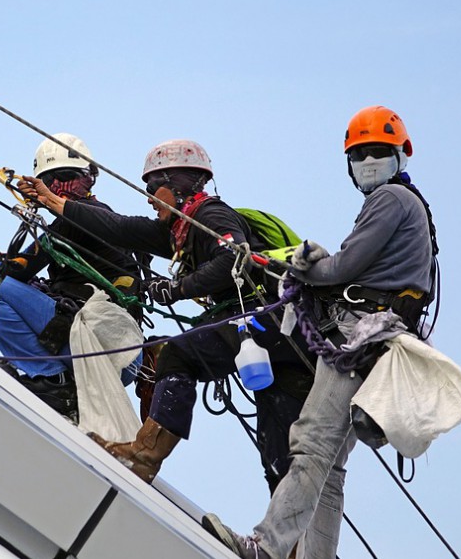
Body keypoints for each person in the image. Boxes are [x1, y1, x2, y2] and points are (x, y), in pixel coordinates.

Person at [202, 106, 437, 558]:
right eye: (360, 153)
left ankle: (265, 548)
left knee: (310, 442)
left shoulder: (389, 199)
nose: (368, 160)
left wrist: (300, 267)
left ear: (399, 155)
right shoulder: (413, 206)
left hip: (363, 338)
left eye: (376, 151)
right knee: (329, 468)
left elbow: (344, 268)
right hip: (380, 342)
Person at [19, 139, 316, 488]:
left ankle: (144, 454)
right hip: (279, 336)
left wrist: (178, 289)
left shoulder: (210, 215)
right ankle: (288, 543)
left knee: (178, 353)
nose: (147, 197)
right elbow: (118, 227)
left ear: (178, 183)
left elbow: (231, 258)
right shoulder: (178, 230)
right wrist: (56, 202)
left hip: (268, 319)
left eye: (151, 187)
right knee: (276, 445)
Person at [0, 133, 142, 423]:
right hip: (119, 354)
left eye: (66, 177)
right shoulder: (101, 219)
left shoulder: (81, 217)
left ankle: (50, 379)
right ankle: (61, 386)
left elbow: (21, 266)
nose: (58, 188)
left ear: (89, 179)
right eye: (49, 182)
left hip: (100, 342)